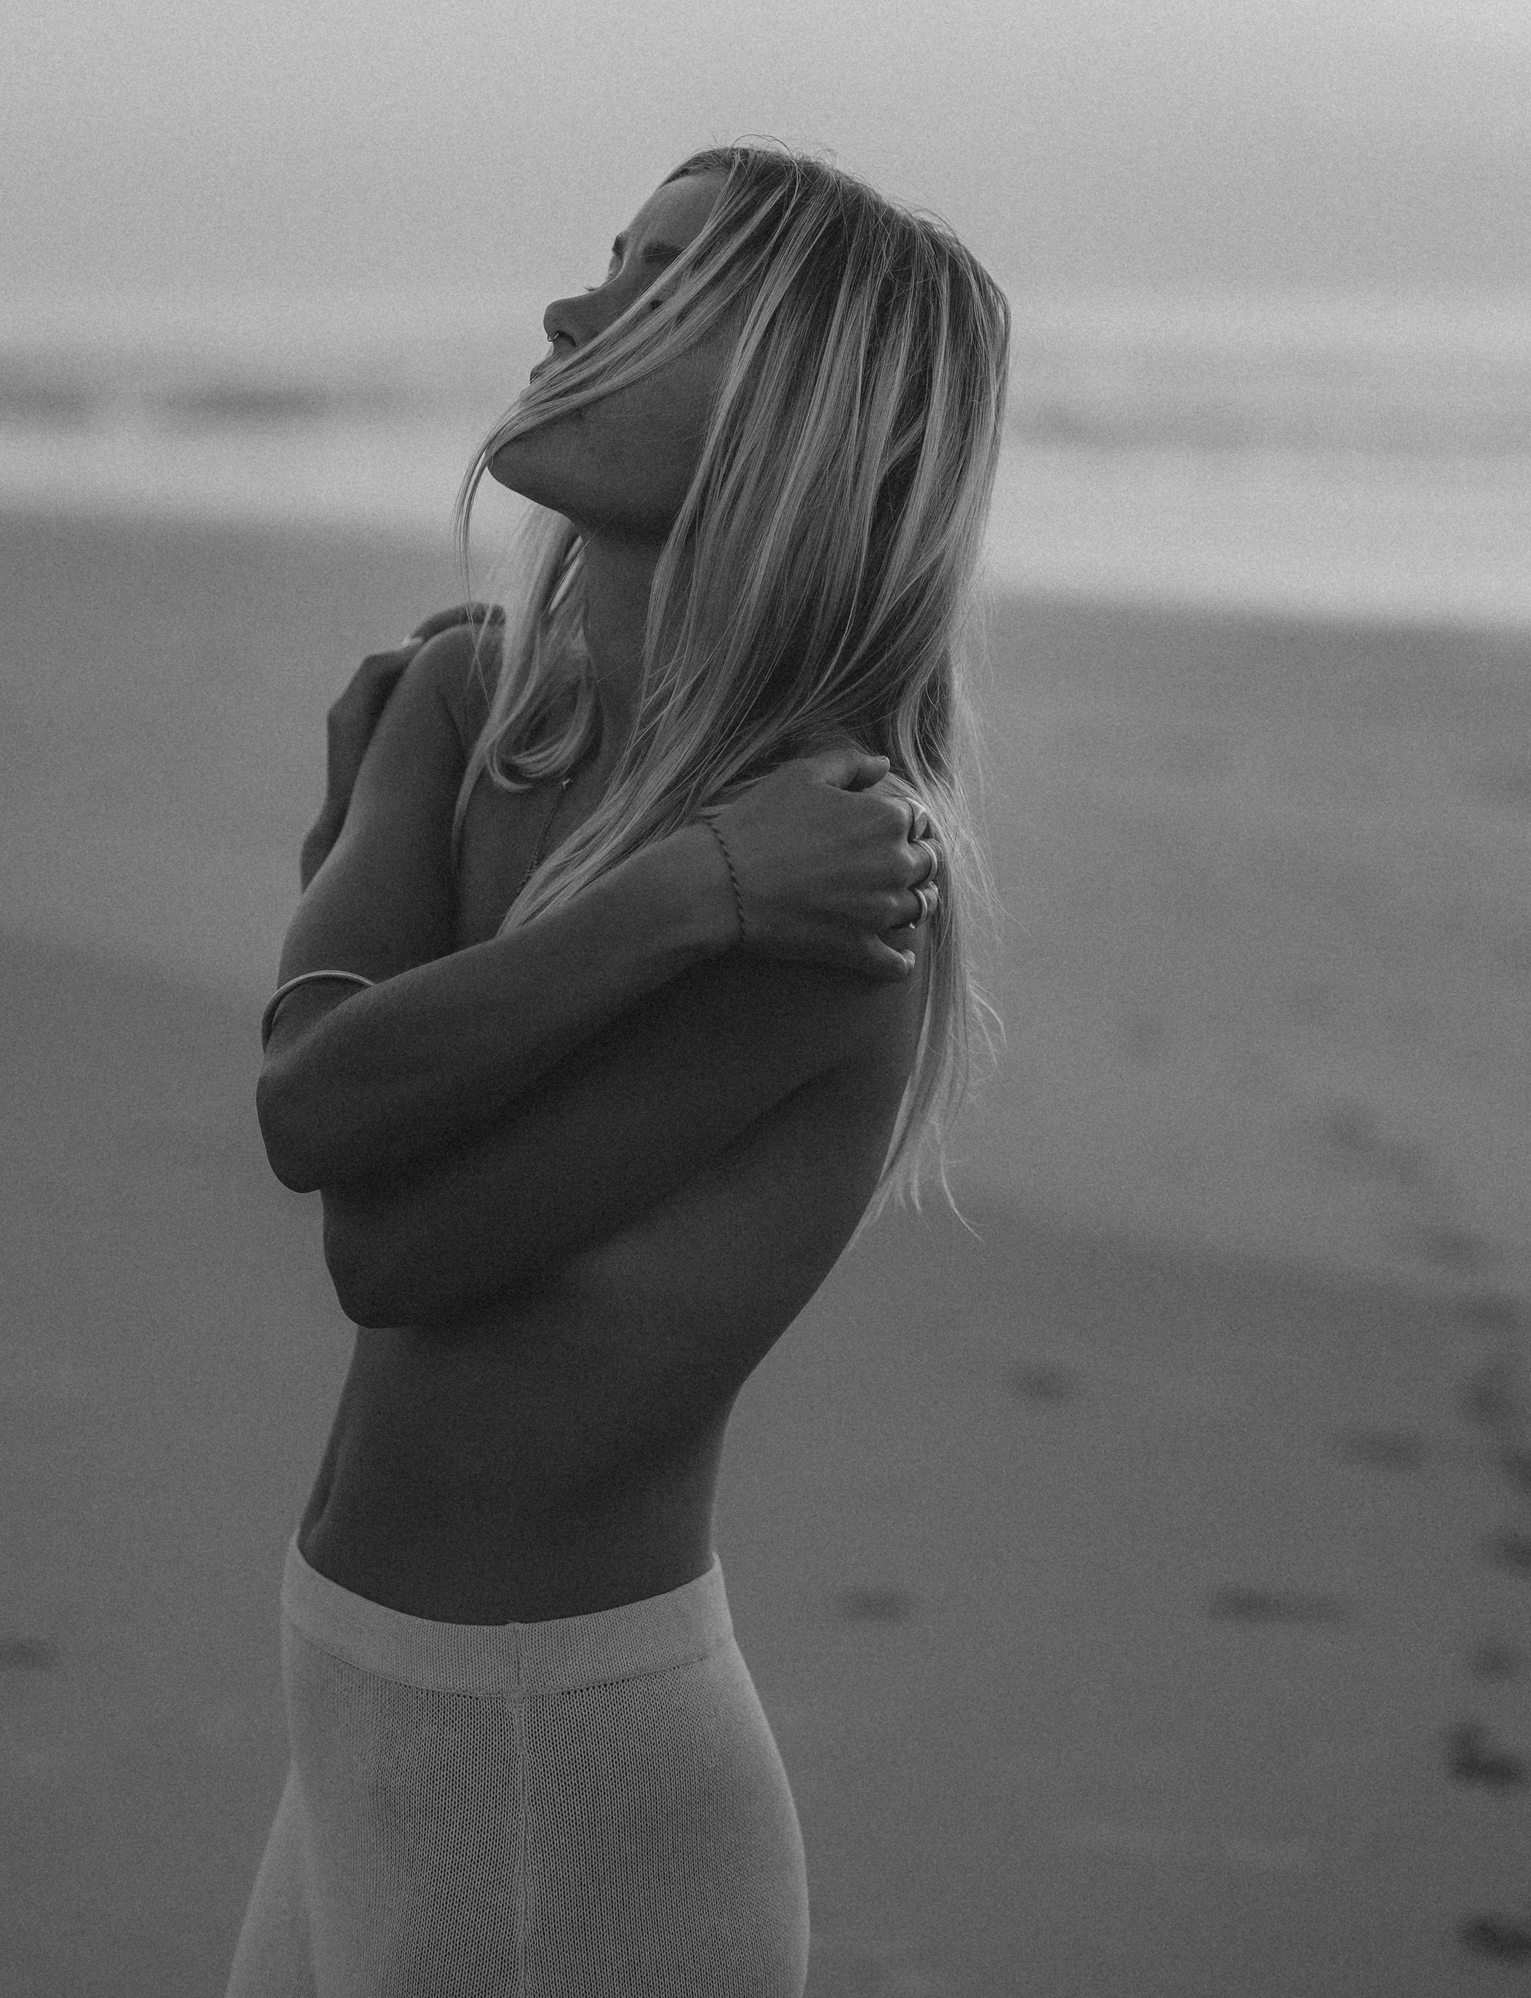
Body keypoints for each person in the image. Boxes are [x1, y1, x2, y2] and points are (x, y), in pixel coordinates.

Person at [226, 139, 1011, 1997]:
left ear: (802, 418)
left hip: (559, 1789)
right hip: (356, 1706)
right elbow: (318, 1092)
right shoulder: (472, 706)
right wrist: (670, 896)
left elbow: (382, 1238)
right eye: (610, 260)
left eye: (665, 290)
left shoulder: (834, 876)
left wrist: (698, 886)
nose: (574, 313)